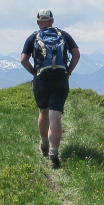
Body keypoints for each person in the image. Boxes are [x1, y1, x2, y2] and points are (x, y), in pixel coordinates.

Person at [20, 9, 80, 169]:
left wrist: (34, 73)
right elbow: (76, 54)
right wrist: (68, 71)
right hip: (60, 79)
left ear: (38, 22)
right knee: (56, 117)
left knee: (43, 111)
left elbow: (23, 59)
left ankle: (44, 144)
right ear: (52, 21)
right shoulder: (64, 35)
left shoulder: (33, 36)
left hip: (41, 79)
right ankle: (54, 154)